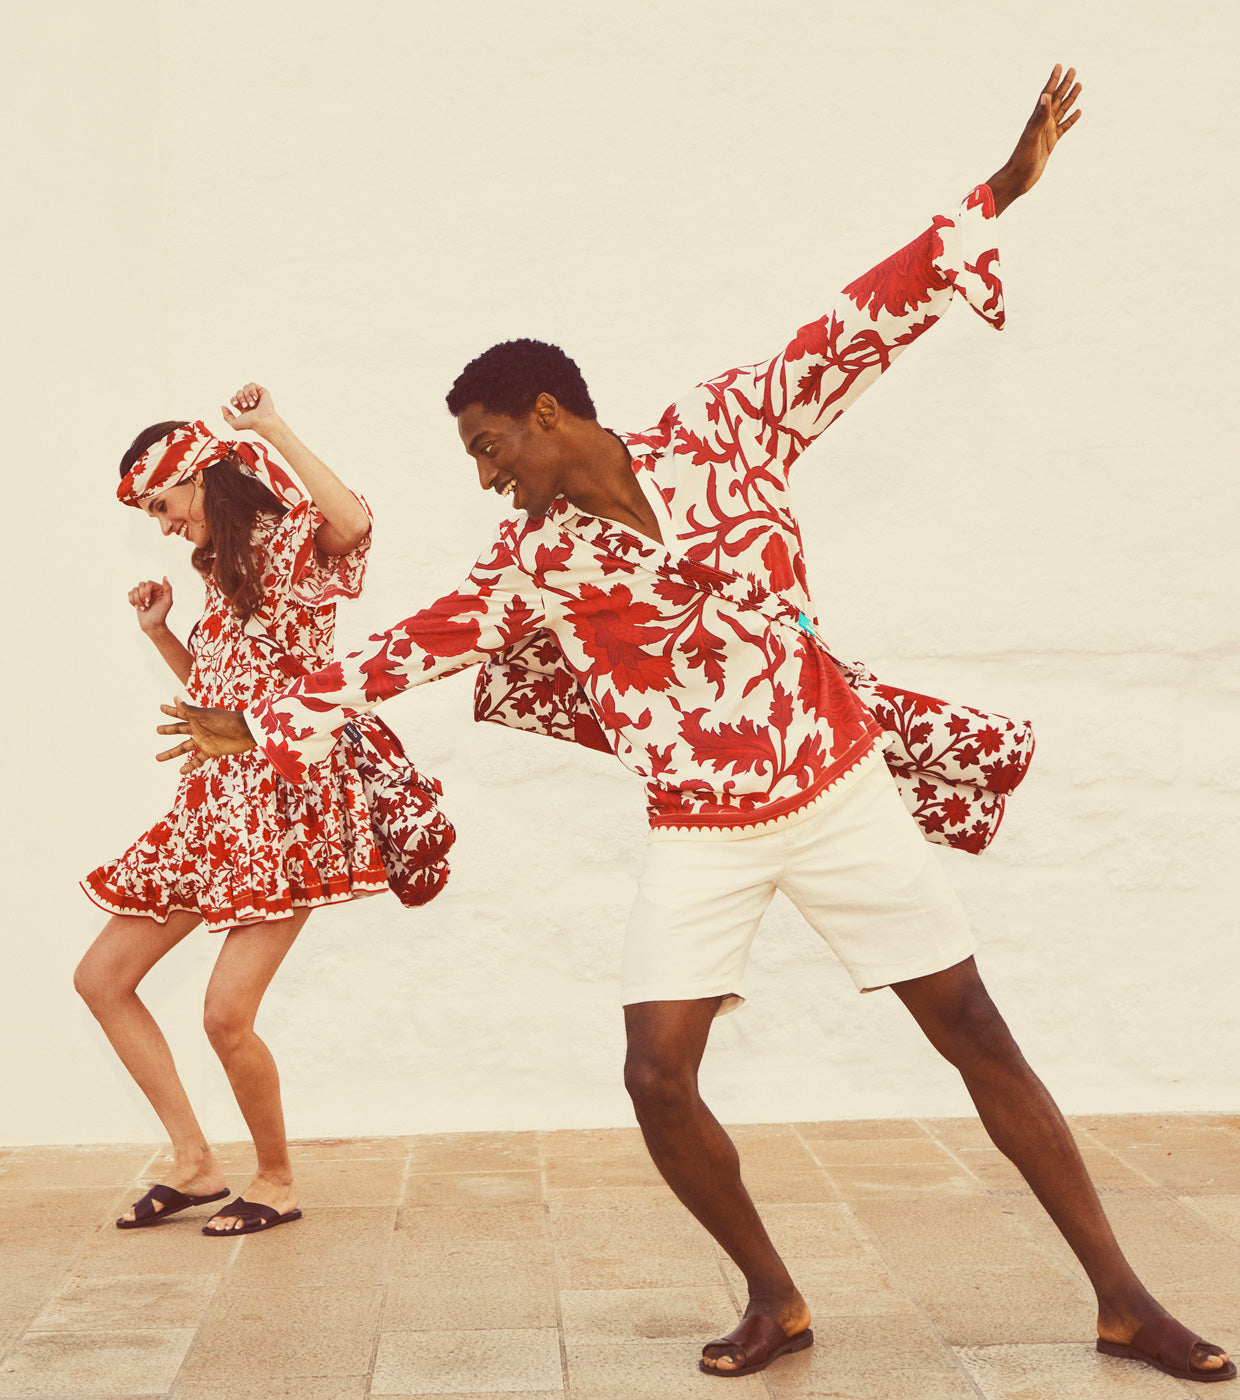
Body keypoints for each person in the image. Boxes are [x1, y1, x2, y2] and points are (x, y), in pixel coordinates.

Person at [153, 71, 1234, 1381]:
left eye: (493, 447)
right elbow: (399, 651)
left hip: (838, 796)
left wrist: (1001, 188)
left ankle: (1124, 1299)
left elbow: (860, 321)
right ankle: (774, 1298)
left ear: (550, 415)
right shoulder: (540, 565)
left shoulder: (727, 430)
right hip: (702, 831)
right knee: (656, 1077)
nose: (489, 476)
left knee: (975, 1032)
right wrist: (257, 714)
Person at [78, 384, 449, 1237]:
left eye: (162, 506)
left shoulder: (287, 547)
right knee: (101, 979)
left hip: (292, 808)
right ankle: (195, 1163)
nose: (163, 527)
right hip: (213, 808)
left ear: (200, 477)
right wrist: (164, 634)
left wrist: (271, 426)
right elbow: (218, 713)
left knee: (223, 1014)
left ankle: (276, 1181)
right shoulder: (219, 574)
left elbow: (353, 525)